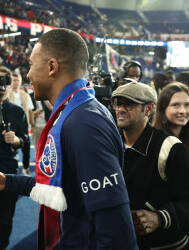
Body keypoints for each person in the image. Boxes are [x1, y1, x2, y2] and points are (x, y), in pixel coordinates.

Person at [0, 29, 138, 249]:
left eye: (32, 65)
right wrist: (7, 181)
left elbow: (117, 233)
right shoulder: (75, 113)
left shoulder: (84, 123)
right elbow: (63, 185)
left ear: (52, 67)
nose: (28, 74)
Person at [111, 81, 189, 249]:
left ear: (149, 109)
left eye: (129, 104)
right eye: (118, 103)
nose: (121, 109)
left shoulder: (171, 148)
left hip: (166, 244)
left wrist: (159, 218)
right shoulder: (111, 143)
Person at [153, 82, 189, 250]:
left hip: (185, 228)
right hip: (164, 236)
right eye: (176, 105)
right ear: (163, 109)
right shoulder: (155, 144)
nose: (183, 111)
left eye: (188, 105)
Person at [0, 66, 28, 250]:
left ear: (9, 84)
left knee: (4, 218)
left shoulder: (18, 111)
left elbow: (25, 138)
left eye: (3, 81)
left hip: (8, 169)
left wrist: (17, 140)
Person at [8, 72, 35, 176]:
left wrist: (32, 125)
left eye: (17, 80)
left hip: (23, 127)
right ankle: (11, 169)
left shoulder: (25, 95)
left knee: (26, 150)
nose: (15, 82)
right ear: (10, 82)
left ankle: (26, 167)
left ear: (20, 82)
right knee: (10, 150)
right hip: (11, 127)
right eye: (13, 80)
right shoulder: (6, 94)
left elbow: (29, 111)